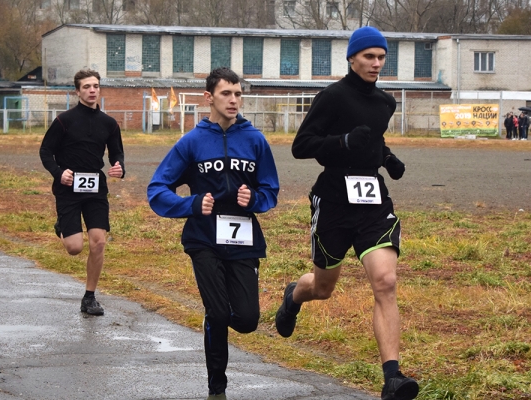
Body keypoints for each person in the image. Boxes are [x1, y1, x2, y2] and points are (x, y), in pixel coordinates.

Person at [274, 26, 419, 400]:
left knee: (385, 281)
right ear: (352, 58)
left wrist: (387, 158)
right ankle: (294, 296)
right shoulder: (332, 97)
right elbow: (301, 145)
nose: (376, 63)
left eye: (381, 57)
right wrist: (343, 142)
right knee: (323, 288)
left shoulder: (385, 103)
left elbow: (373, 138)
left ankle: (392, 378)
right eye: (369, 56)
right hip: (335, 202)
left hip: (372, 201)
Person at [147, 67, 279, 400]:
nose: (234, 100)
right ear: (209, 97)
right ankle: (216, 388)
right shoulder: (192, 142)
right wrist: (190, 204)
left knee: (247, 320)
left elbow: (271, 189)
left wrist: (255, 199)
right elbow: (157, 189)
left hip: (243, 239)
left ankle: (218, 321)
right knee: (218, 314)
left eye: (238, 94)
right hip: (204, 238)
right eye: (226, 94)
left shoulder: (255, 140)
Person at [39, 69, 125, 316]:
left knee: (99, 242)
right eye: (86, 86)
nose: (92, 90)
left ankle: (89, 297)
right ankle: (63, 225)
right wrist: (59, 173)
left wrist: (119, 166)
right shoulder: (64, 121)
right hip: (68, 188)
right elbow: (45, 151)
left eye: (95, 86)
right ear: (77, 91)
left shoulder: (109, 123)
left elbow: (117, 153)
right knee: (75, 247)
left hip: (95, 188)